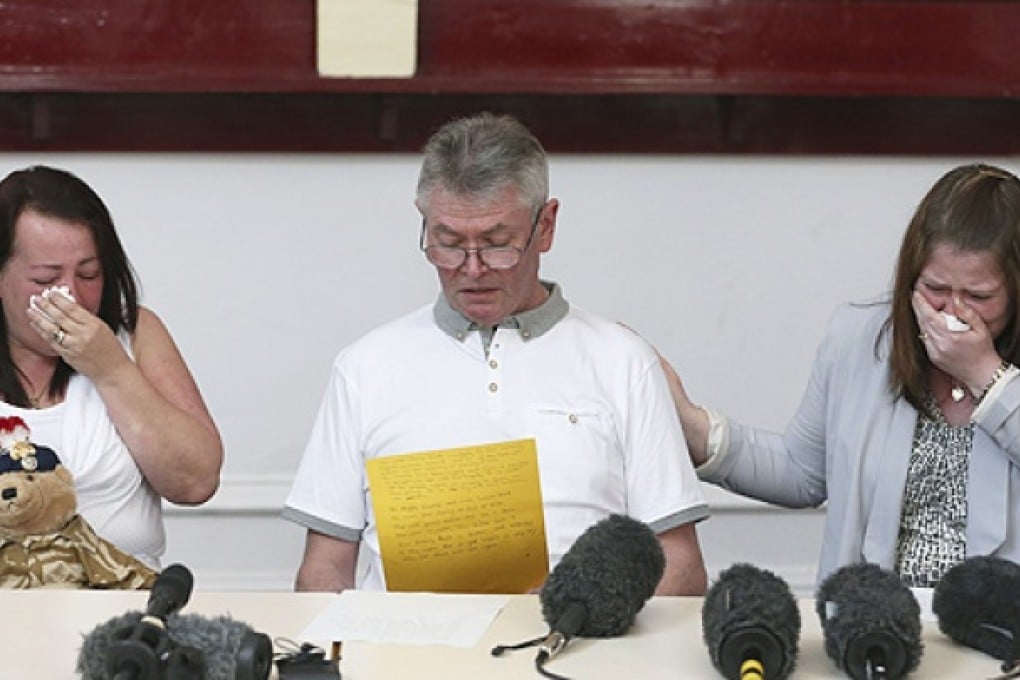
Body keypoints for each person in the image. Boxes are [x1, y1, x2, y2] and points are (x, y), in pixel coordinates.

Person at [283, 112, 709, 594]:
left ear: (544, 226)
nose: (473, 269)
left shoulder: (622, 361)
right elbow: (325, 569)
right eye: (447, 244)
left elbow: (681, 567)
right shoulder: (364, 367)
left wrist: (595, 626)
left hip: (577, 653)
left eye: (496, 243)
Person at [659, 162, 1020, 588]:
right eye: (935, 289)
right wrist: (696, 427)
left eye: (979, 297)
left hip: (1001, 636)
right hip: (875, 629)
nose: (952, 313)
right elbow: (801, 473)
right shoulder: (860, 337)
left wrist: (985, 375)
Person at [0, 165, 223, 570]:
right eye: (45, 278)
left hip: (126, 613)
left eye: (89, 273)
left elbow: (196, 482)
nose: (71, 296)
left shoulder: (136, 333)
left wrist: (111, 370)